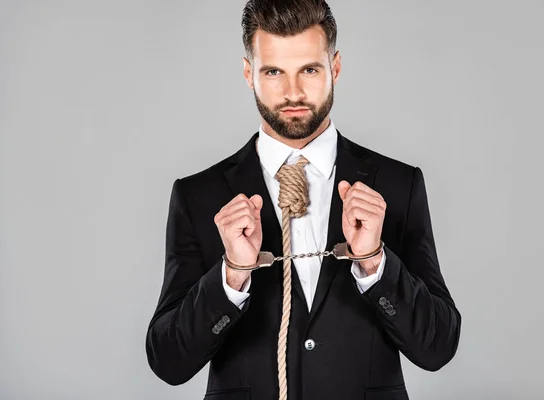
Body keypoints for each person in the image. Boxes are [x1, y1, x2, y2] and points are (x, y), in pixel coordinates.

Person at [145, 1, 461, 399]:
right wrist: (231, 276)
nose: (293, 92)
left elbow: (438, 347)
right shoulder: (198, 196)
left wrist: (376, 262)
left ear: (336, 67)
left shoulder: (398, 186)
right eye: (273, 71)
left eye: (309, 69)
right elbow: (168, 362)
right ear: (248, 74)